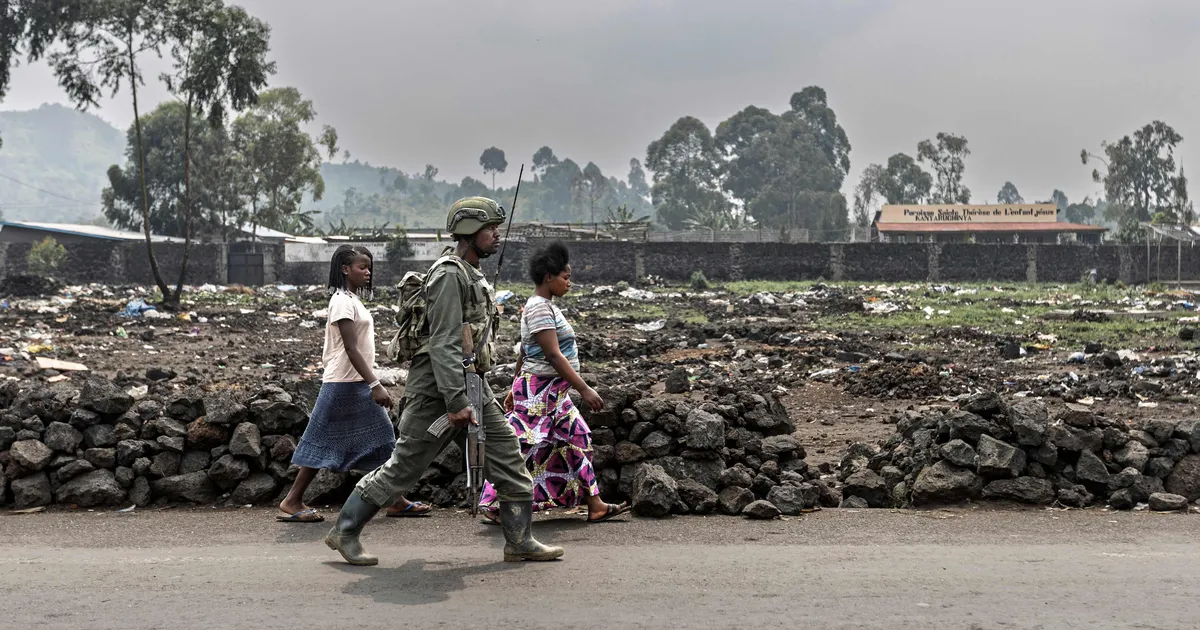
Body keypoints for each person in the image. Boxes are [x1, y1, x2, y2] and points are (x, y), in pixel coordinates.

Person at [324, 196, 563, 566]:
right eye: (489, 229)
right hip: (438, 392)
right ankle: (345, 531)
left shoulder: (471, 273)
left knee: (508, 457)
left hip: (472, 386)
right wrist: (456, 402)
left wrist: (471, 395)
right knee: (405, 466)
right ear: (469, 231)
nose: (496, 235)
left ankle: (520, 540)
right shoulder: (449, 274)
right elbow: (443, 343)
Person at [278, 245, 432, 522]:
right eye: (362, 267)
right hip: (344, 382)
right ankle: (292, 500)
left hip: (352, 381)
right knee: (327, 441)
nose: (368, 272)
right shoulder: (341, 301)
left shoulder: (351, 300)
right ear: (345, 269)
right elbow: (350, 348)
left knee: (381, 441)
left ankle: (395, 500)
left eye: (369, 267)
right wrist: (375, 384)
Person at [478, 242, 629, 524]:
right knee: (522, 446)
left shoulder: (546, 307)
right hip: (538, 392)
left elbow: (524, 351)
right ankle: (492, 502)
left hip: (553, 393)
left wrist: (513, 387)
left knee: (577, 437)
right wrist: (584, 387)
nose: (569, 283)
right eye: (565, 277)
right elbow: (552, 354)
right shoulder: (538, 308)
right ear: (549, 277)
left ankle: (595, 504)